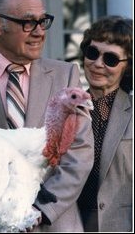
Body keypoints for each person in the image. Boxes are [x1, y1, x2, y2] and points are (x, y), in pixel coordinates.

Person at [0, 0, 94, 231]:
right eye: (27, 22)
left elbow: (79, 154)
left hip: (51, 223)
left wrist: (38, 212)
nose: (39, 32)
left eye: (42, 21)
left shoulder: (65, 75)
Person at [77, 16, 133, 232]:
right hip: (68, 224)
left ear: (127, 66)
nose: (98, 64)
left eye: (110, 59)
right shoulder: (68, 107)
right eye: (92, 53)